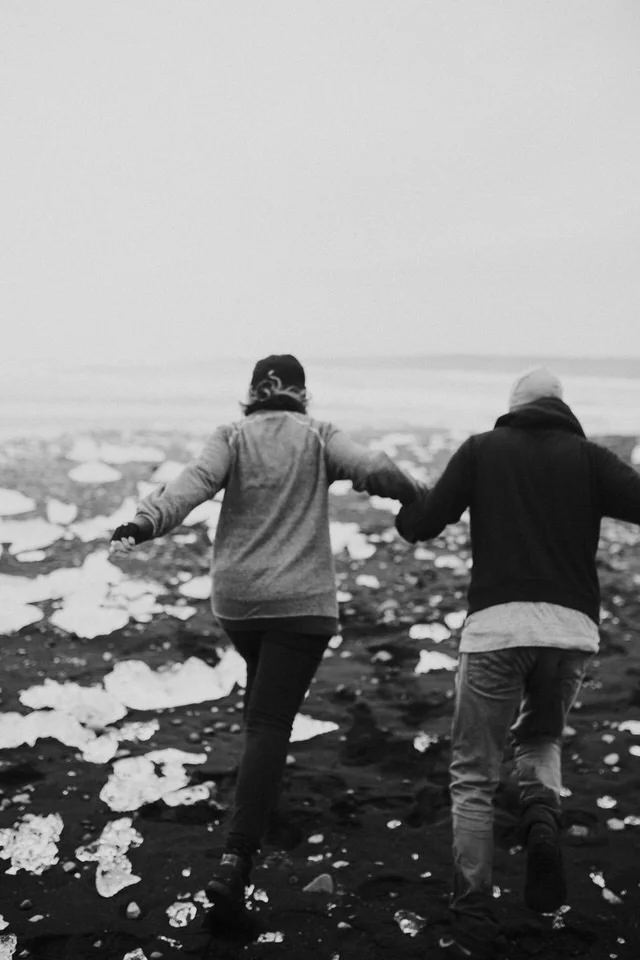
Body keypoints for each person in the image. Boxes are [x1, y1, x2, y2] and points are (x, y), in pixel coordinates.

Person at [110, 353, 423, 922]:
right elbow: (374, 467)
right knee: (269, 723)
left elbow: (193, 484)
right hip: (300, 604)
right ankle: (237, 857)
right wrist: (418, 494)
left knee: (262, 702)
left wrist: (142, 523)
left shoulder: (232, 435)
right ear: (301, 394)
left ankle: (252, 796)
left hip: (240, 604)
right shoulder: (319, 435)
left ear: (254, 392)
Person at [395, 367, 640, 960]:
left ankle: (474, 913)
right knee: (540, 736)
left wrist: (404, 507)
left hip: (497, 630)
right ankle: (540, 816)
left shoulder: (483, 450)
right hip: (570, 633)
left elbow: (425, 522)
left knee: (475, 775)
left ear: (512, 407)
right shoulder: (590, 459)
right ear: (561, 407)